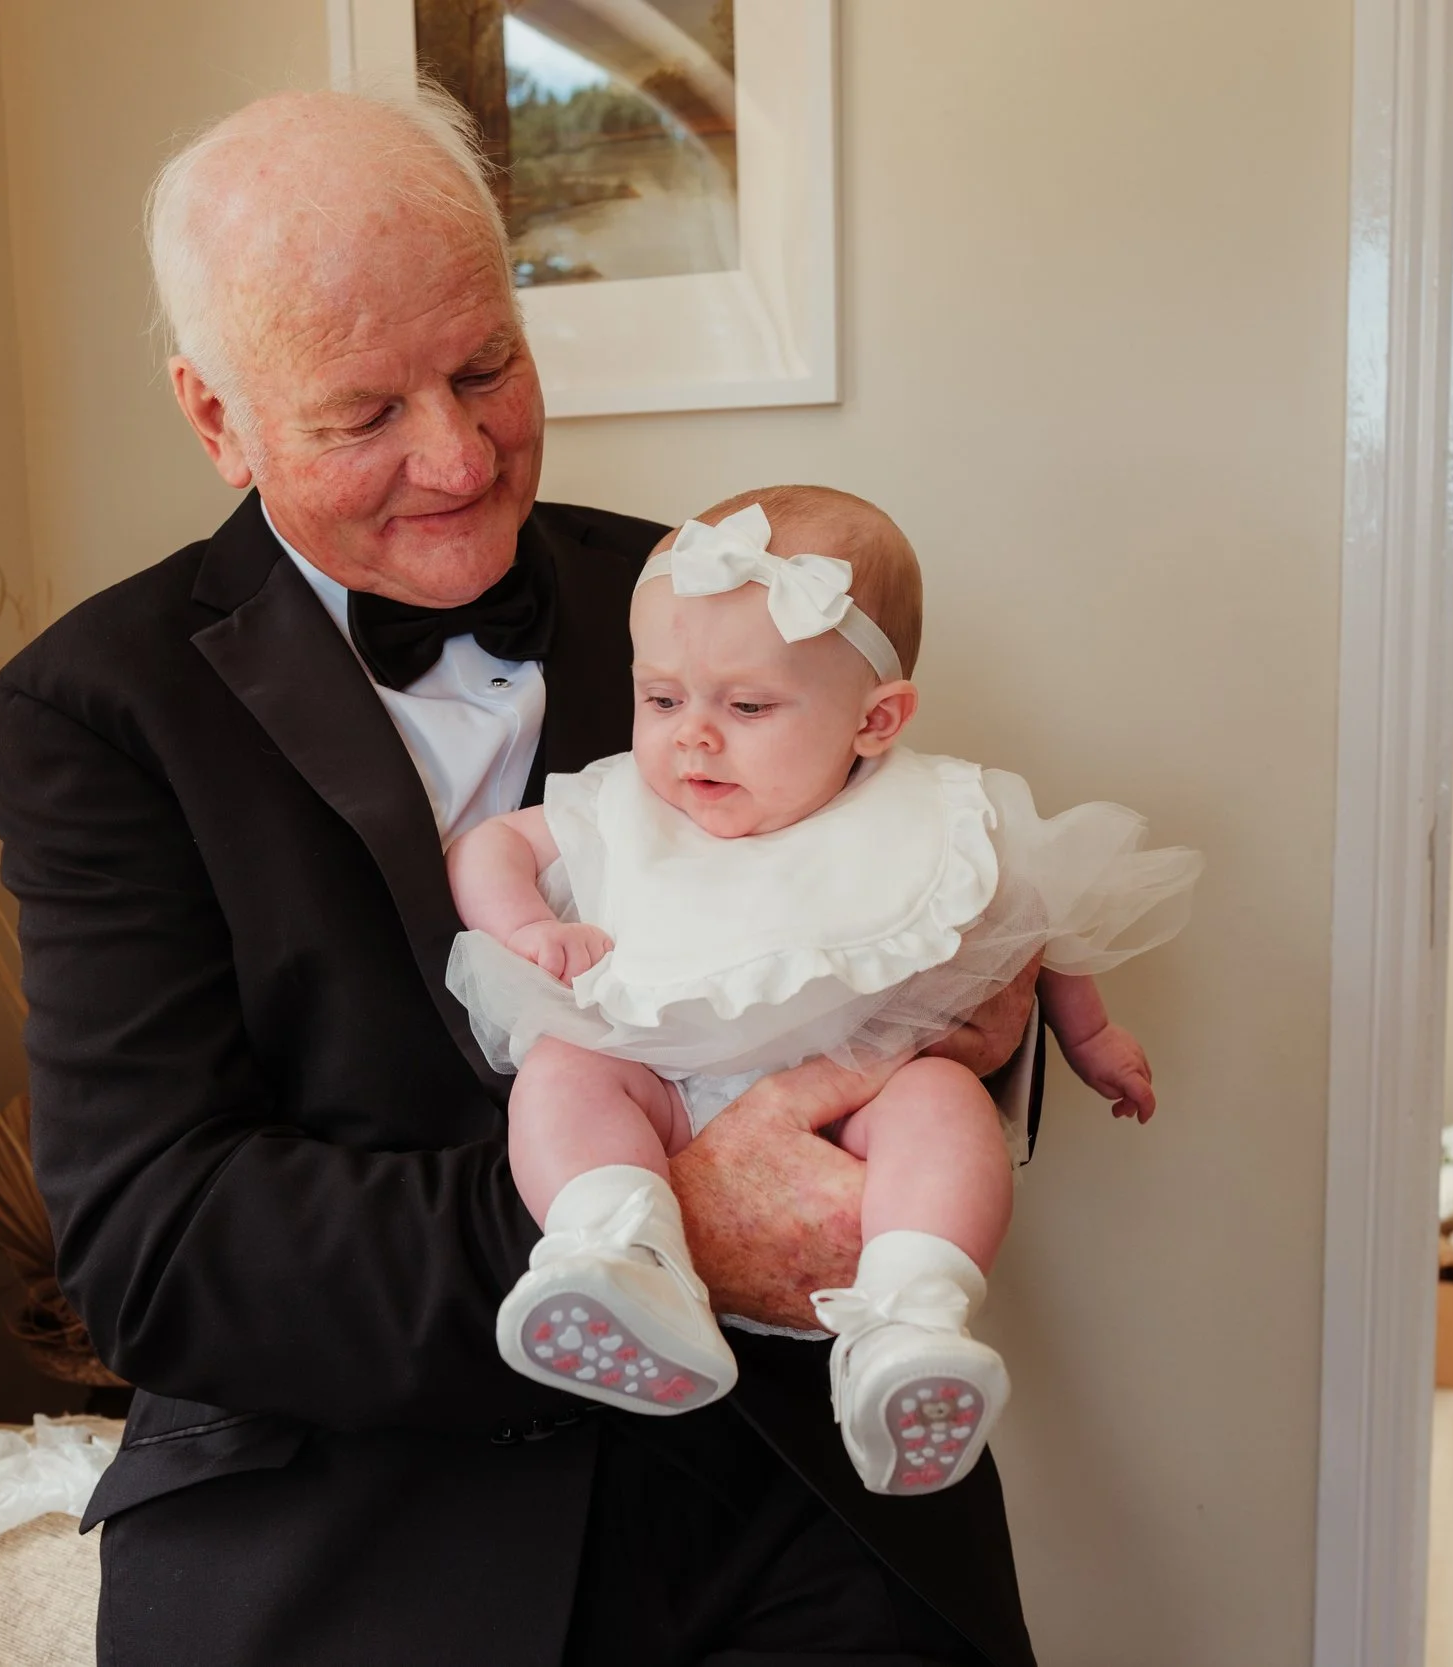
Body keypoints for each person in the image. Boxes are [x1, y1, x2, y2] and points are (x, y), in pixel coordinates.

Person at [0, 86, 1051, 1666]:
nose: (462, 455)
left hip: (797, 1478)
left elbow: (914, 908)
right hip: (353, 1521)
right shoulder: (92, 711)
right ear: (218, 418)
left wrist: (981, 1007)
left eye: (487, 366)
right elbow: (162, 1250)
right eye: (364, 415)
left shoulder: (721, 601)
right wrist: (673, 1212)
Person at [448, 488, 1198, 1497]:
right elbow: (488, 843)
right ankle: (614, 1253)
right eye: (661, 698)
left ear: (875, 718)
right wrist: (526, 925)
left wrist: (1092, 1034)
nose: (691, 738)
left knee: (939, 1102)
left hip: (855, 1109)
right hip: (660, 1088)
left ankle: (909, 1320)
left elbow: (1041, 915)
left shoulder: (934, 808)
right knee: (566, 1067)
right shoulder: (619, 800)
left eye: (746, 706)